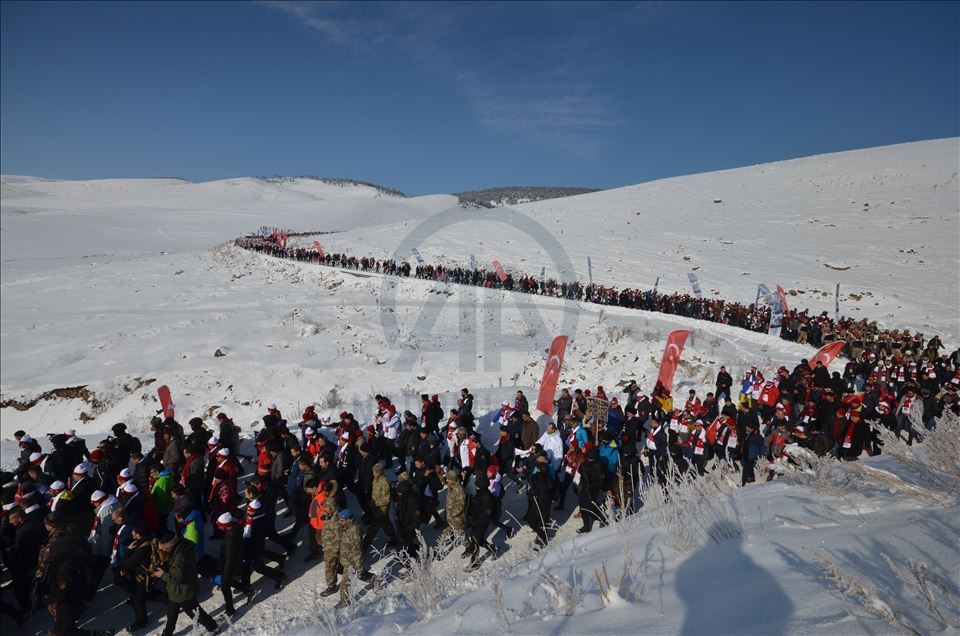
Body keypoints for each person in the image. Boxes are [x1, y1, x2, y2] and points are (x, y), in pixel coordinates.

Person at [154, 533, 218, 636]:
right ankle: (167, 634)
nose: (164, 551)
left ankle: (213, 626)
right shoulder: (182, 548)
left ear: (171, 545)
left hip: (183, 591)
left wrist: (163, 575)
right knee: (171, 613)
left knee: (194, 612)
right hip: (176, 591)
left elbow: (177, 578)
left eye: (166, 549)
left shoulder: (180, 556)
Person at [214, 512, 251, 616]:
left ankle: (230, 610)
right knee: (226, 580)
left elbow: (230, 557)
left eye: (220, 525)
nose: (218, 527)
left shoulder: (231, 537)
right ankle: (248, 591)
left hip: (232, 563)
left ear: (226, 526)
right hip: (232, 560)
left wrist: (224, 567)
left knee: (225, 585)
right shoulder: (234, 527)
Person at [334, 509, 371, 608]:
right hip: (347, 560)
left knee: (345, 583)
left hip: (352, 562)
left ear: (349, 519)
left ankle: (345, 602)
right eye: (339, 519)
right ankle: (376, 580)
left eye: (342, 520)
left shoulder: (355, 532)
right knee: (361, 575)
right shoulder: (346, 527)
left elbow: (357, 551)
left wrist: (358, 565)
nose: (340, 522)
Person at [464, 476, 497, 570]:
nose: (476, 487)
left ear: (482, 486)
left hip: (481, 523)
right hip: (476, 521)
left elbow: (485, 514)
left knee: (474, 541)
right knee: (477, 539)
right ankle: (493, 548)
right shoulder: (479, 494)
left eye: (477, 486)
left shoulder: (486, 497)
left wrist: (474, 520)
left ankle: (474, 563)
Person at [363, 464, 398, 549]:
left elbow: (387, 499)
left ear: (379, 472)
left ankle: (364, 544)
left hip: (381, 509)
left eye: (374, 472)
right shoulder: (376, 479)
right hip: (377, 507)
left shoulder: (385, 482)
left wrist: (375, 503)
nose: (373, 474)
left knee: (373, 527)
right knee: (386, 524)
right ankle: (395, 539)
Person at [441, 469, 466, 542]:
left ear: (452, 480)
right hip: (450, 518)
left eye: (448, 479)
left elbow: (460, 507)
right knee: (445, 534)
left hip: (456, 519)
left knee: (462, 536)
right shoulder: (451, 486)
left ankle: (470, 547)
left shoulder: (459, 490)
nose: (447, 480)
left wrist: (451, 514)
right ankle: (441, 548)